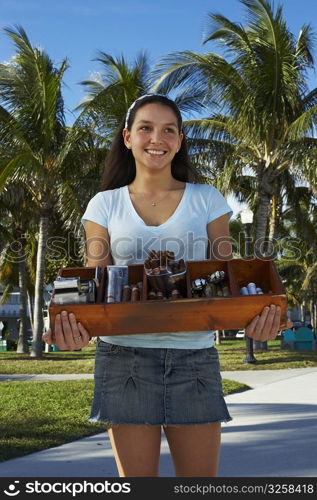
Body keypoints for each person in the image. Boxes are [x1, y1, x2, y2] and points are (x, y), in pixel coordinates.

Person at [43, 94, 291, 477]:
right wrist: (78, 329)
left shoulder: (207, 199)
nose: (157, 138)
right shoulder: (103, 204)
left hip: (194, 360)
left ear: (179, 139)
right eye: (145, 128)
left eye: (168, 130)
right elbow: (97, 280)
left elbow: (227, 274)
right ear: (127, 137)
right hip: (122, 360)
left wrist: (259, 317)